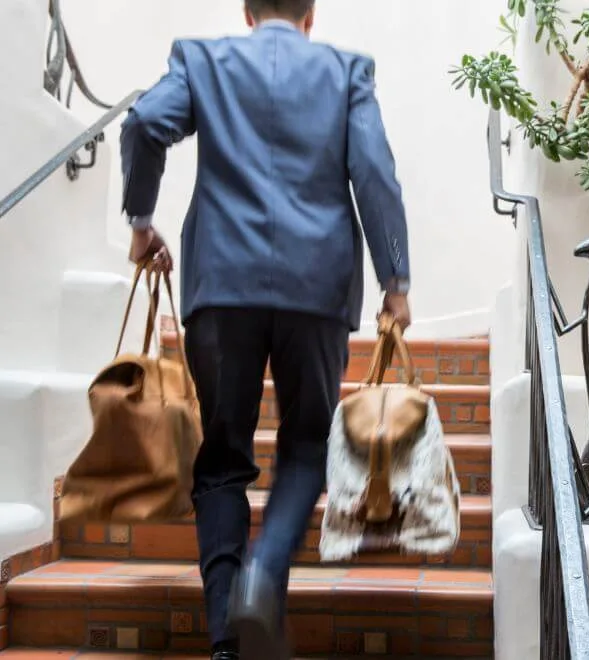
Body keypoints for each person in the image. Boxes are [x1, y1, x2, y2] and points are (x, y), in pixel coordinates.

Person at [120, 2, 411, 659]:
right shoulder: (346, 71)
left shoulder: (200, 60)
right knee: (306, 449)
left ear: (247, 12)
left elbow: (143, 123)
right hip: (317, 289)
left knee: (223, 459)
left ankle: (227, 634)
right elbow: (374, 175)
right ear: (312, 15)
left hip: (221, 287)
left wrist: (141, 222)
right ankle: (263, 576)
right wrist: (396, 282)